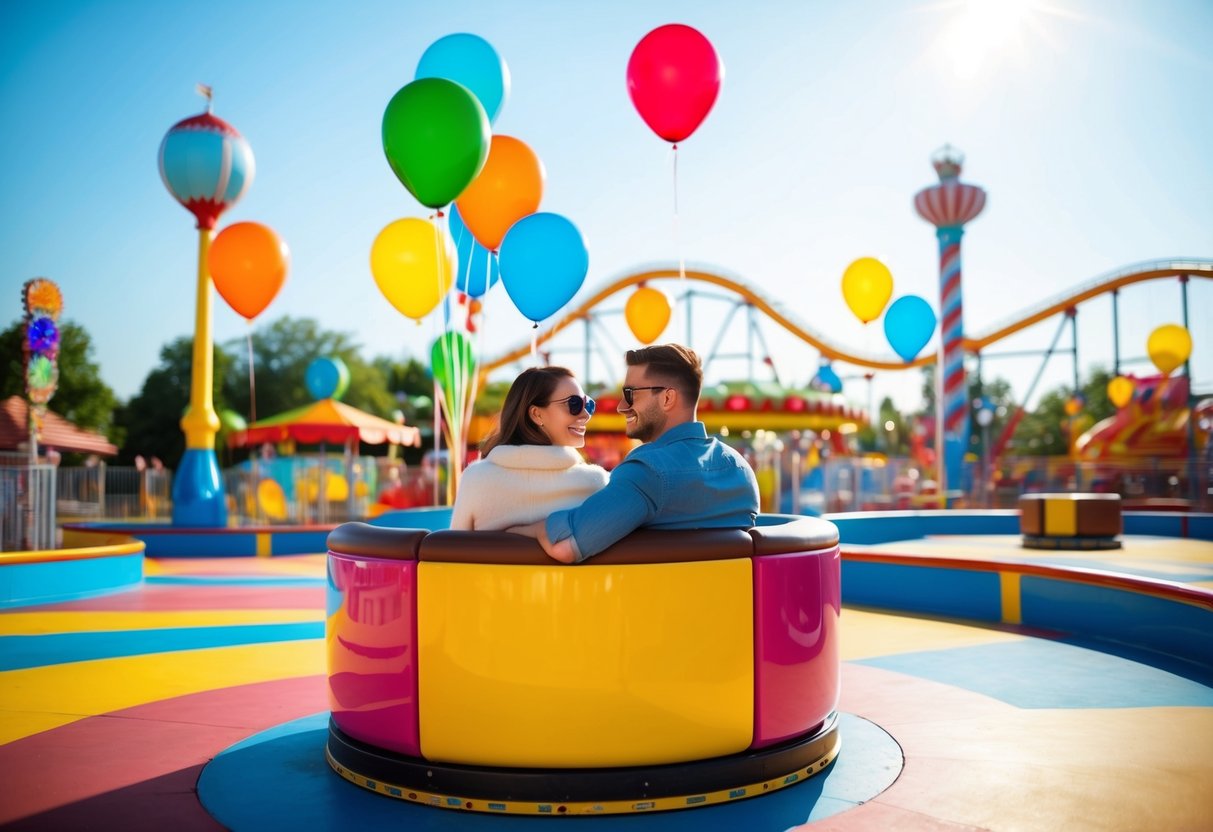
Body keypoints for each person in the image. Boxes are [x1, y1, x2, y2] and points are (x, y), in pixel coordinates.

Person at [510, 344, 760, 563]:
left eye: (630, 394)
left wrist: (513, 532)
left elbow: (565, 545)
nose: (621, 406)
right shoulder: (741, 470)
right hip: (738, 611)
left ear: (667, 398)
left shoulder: (648, 471)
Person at [449, 366, 608, 530]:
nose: (586, 414)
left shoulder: (475, 479)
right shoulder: (596, 484)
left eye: (588, 404)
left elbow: (453, 549)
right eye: (574, 404)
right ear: (536, 414)